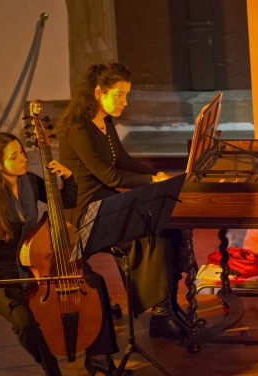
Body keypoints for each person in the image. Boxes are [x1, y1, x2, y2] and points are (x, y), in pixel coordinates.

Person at [0, 132, 132, 376]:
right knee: (24, 321)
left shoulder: (29, 181)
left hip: (35, 259)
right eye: (14, 156)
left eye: (21, 152)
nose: (22, 158)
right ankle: (53, 374)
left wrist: (68, 178)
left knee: (94, 283)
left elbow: (65, 202)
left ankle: (99, 357)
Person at [56, 62, 188, 341]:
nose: (125, 102)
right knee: (151, 235)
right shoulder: (79, 128)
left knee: (168, 224)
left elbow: (123, 161)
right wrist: (152, 181)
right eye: (119, 95)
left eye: (126, 95)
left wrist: (157, 175)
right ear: (98, 93)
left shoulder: (104, 121)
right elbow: (110, 175)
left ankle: (170, 306)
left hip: (108, 203)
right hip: (87, 211)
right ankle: (160, 316)